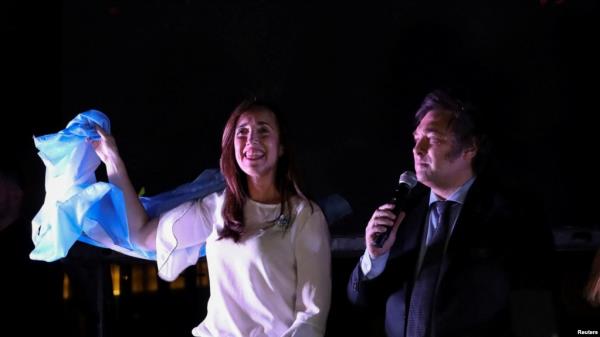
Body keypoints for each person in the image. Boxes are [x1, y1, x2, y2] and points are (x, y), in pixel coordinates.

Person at [91, 99, 331, 337]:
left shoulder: (305, 216)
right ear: (232, 145)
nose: (252, 140)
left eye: (263, 130)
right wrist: (112, 160)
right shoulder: (217, 208)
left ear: (281, 147)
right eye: (242, 132)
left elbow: (311, 317)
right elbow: (142, 234)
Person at [347, 89, 552, 337]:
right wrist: (374, 256)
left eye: (432, 139)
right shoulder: (403, 214)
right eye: (416, 138)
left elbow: (535, 314)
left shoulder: (514, 217)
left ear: (470, 148)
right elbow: (360, 300)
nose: (417, 149)